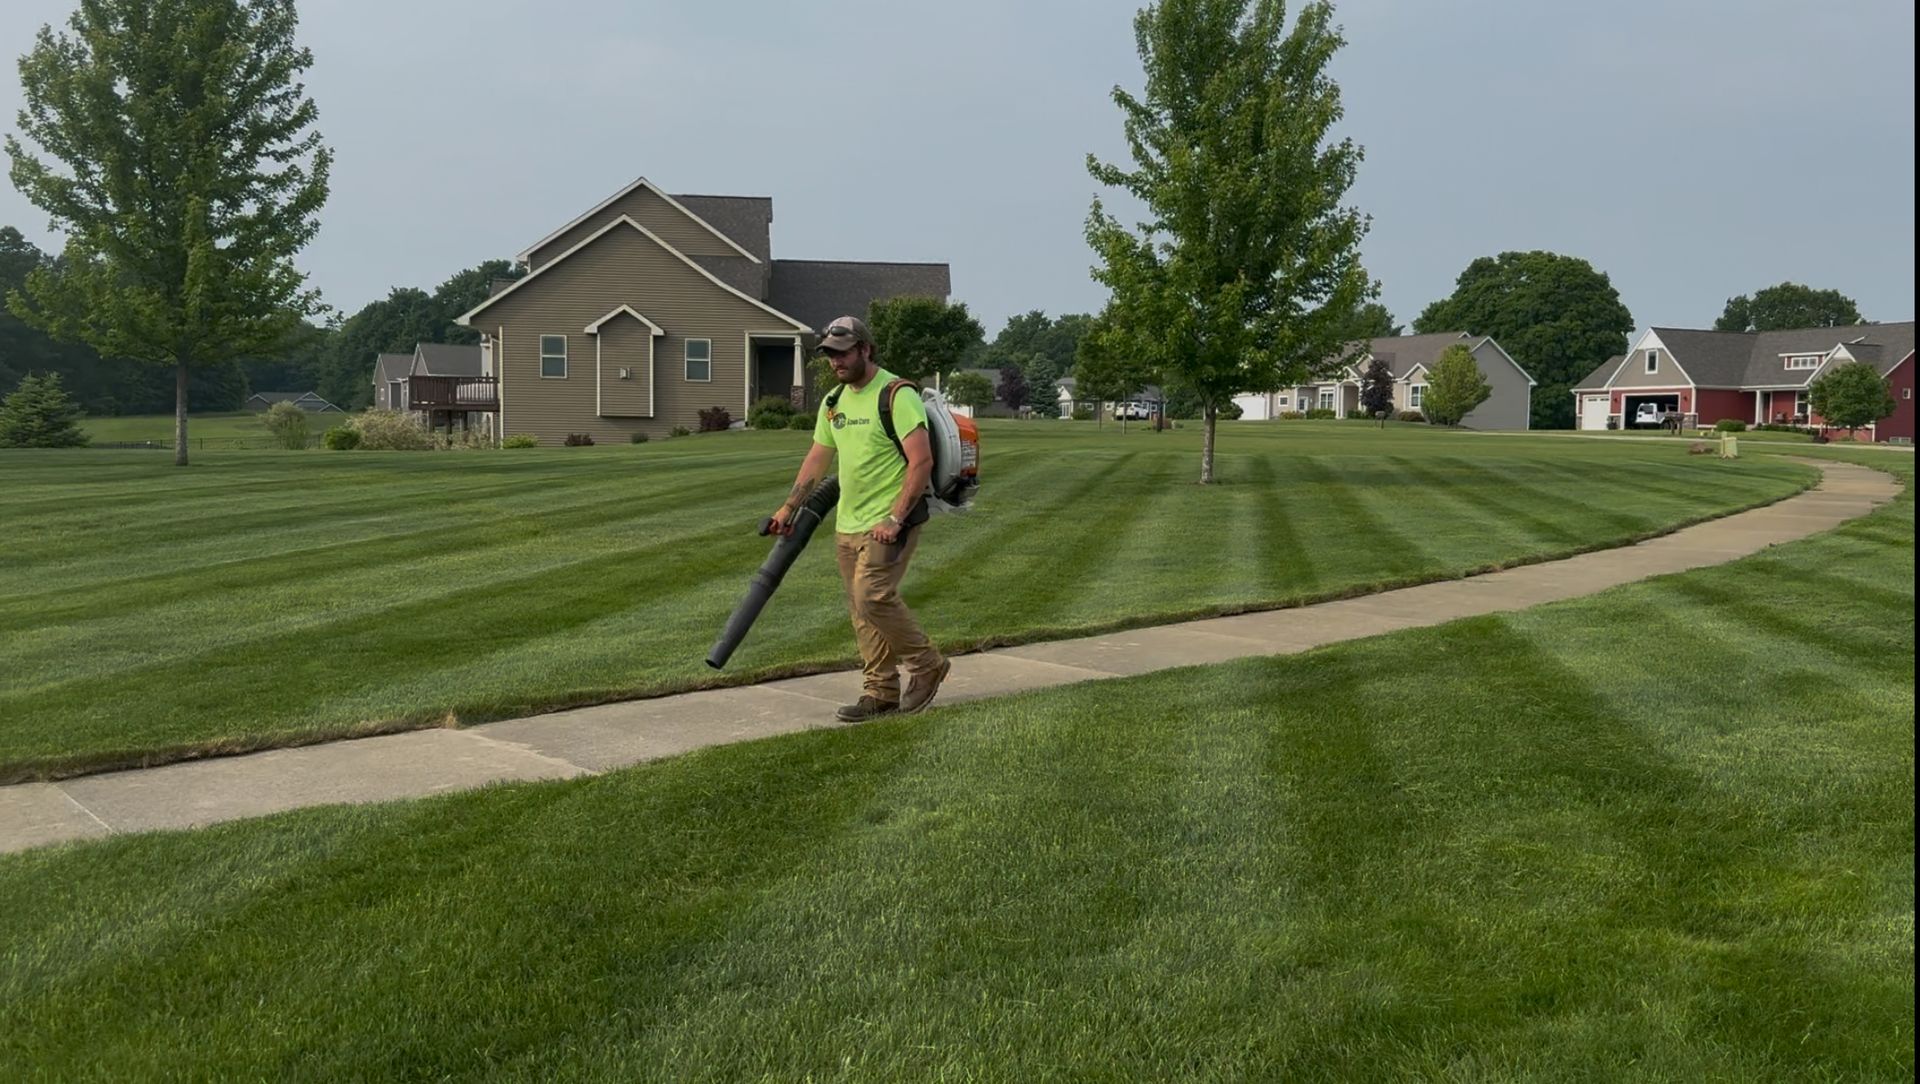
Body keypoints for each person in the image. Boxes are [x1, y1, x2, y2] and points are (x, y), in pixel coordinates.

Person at [770, 316, 951, 721]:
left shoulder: (895, 394)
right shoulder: (833, 402)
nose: (836, 361)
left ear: (865, 349)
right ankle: (880, 692)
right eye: (830, 354)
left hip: (890, 522)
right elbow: (818, 458)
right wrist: (788, 508)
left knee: (872, 596)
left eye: (843, 352)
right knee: (860, 608)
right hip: (848, 524)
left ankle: (927, 665)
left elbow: (921, 462)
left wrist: (895, 518)